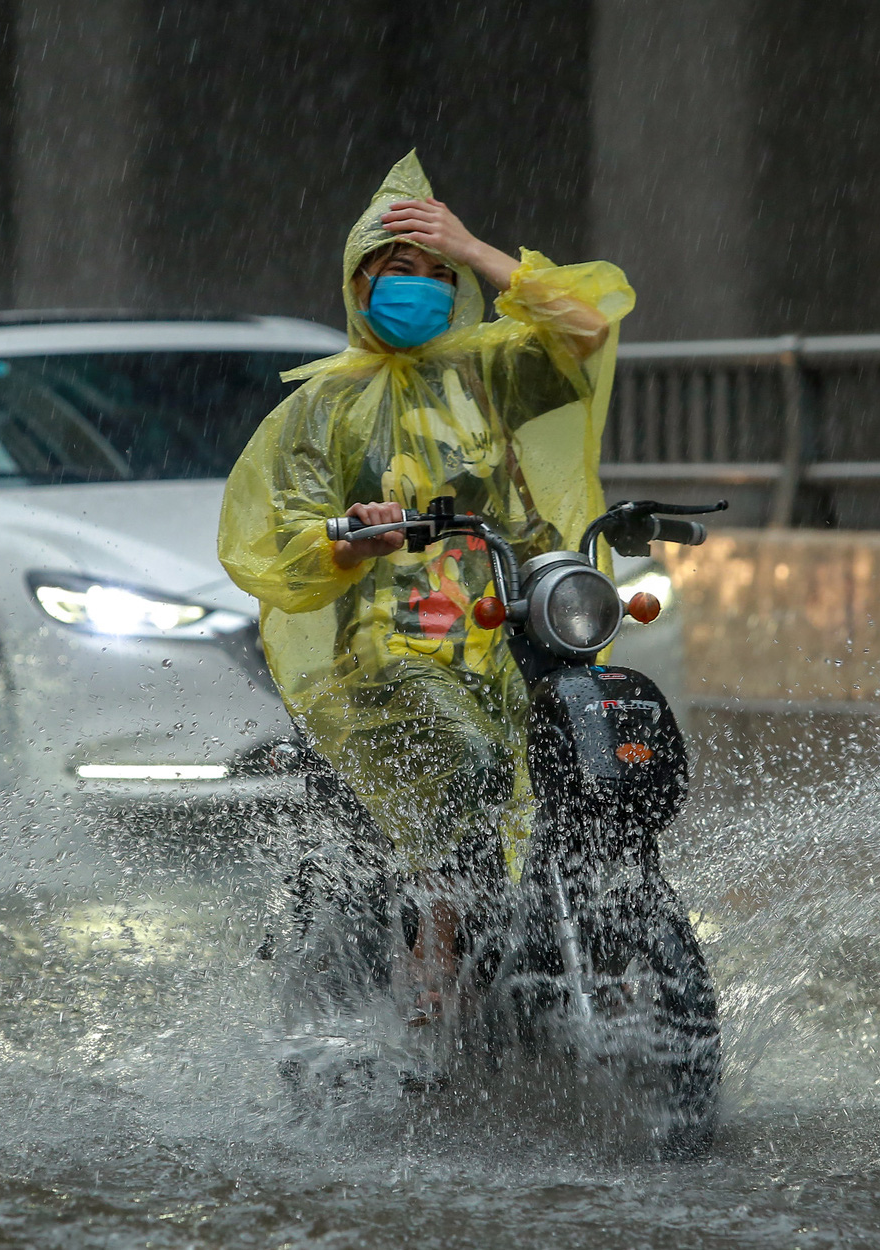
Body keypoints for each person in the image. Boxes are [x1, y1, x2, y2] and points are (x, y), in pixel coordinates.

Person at [218, 152, 634, 1022]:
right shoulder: (319, 409)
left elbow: (589, 328)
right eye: (398, 272)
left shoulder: (488, 374)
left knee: (601, 755)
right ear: (359, 283)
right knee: (476, 760)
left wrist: (479, 248)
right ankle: (433, 946)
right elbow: (281, 542)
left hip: (511, 626)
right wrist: (351, 541)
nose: (421, 288)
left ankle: (607, 936)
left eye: (435, 274)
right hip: (387, 651)